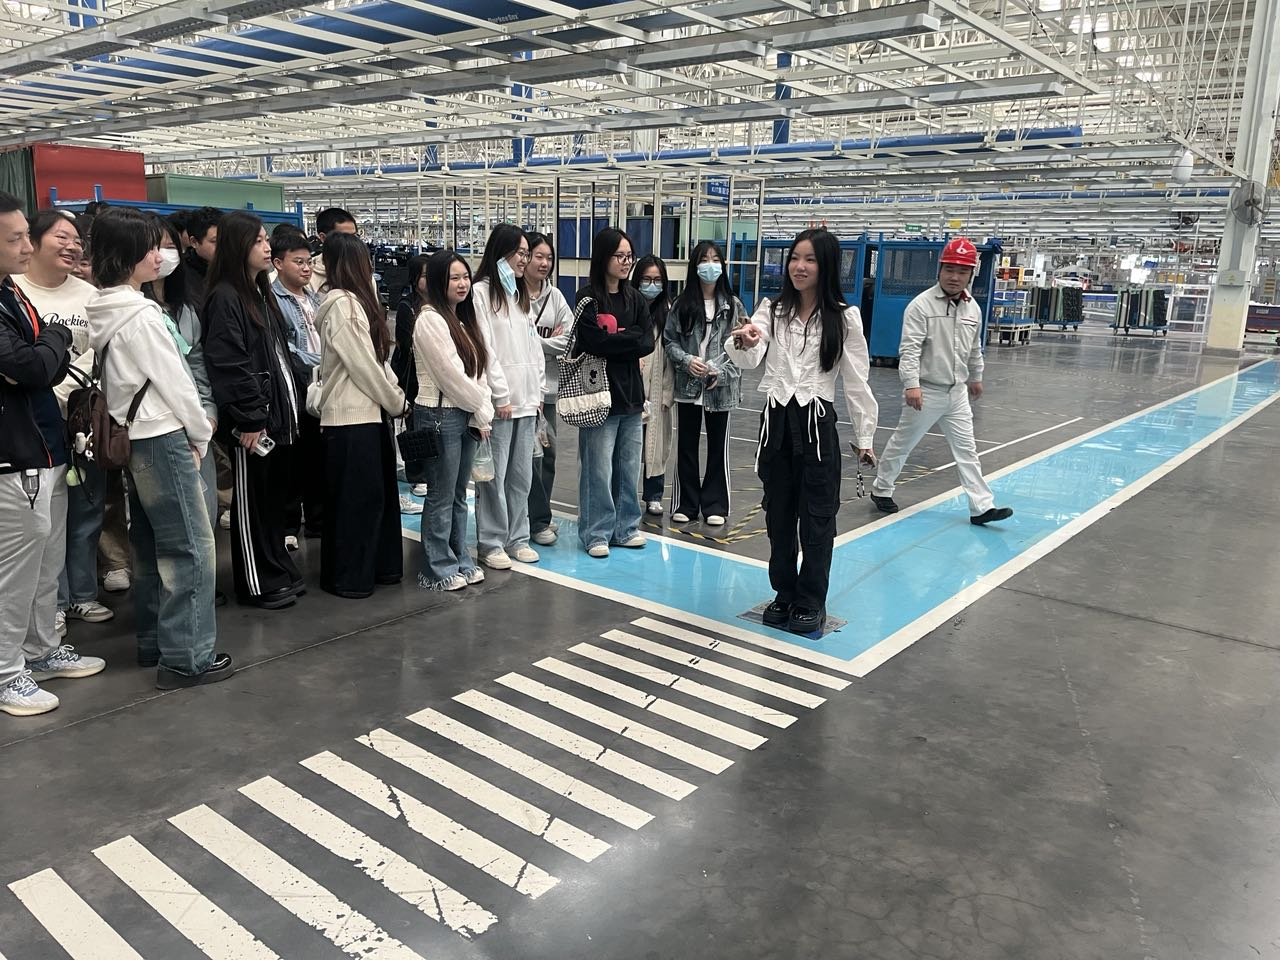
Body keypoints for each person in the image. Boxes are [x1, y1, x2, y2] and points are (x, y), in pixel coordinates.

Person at [87, 207, 231, 690]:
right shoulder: (143, 315)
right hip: (164, 435)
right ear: (127, 254)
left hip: (135, 437)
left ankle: (155, 642)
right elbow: (178, 383)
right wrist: (200, 434)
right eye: (150, 247)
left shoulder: (105, 308)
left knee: (149, 545)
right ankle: (187, 659)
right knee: (191, 549)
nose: (160, 255)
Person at [726, 228, 878, 636]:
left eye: (809, 259)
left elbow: (857, 381)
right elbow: (750, 357)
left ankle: (811, 599)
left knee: (817, 518)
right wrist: (744, 341)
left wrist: (864, 437)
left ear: (825, 266)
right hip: (776, 424)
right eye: (795, 258)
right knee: (778, 515)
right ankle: (784, 592)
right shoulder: (772, 311)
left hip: (817, 424)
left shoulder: (844, 318)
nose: (799, 266)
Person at [0, 190, 104, 717]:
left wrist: (49, 346)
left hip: (46, 445)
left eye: (25, 235)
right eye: (15, 238)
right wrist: (55, 341)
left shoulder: (10, 294)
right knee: (14, 571)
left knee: (45, 560)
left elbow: (44, 362)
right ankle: (5, 671)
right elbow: (33, 365)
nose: (25, 247)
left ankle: (40, 651)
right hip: (13, 453)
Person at [16, 212, 116, 631]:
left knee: (86, 510)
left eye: (78, 240)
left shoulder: (89, 295)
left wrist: (64, 391)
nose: (73, 246)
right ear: (33, 241)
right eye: (62, 237)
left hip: (81, 419)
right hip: (32, 423)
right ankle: (51, 602)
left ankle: (82, 595)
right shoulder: (15, 291)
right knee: (44, 520)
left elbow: (98, 352)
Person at [871, 237, 1013, 526]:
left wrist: (976, 377)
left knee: (967, 450)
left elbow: (974, 348)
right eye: (949, 269)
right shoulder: (921, 306)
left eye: (962, 271)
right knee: (903, 443)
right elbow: (910, 349)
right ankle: (881, 488)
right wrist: (911, 385)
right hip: (926, 391)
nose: (954, 276)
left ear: (971, 274)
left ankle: (981, 507)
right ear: (940, 269)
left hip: (957, 394)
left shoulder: (973, 308)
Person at [203, 211, 303, 610]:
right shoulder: (226, 297)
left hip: (275, 417)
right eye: (258, 240)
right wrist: (250, 417)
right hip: (253, 424)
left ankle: (276, 567)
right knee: (252, 504)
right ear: (238, 246)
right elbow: (229, 362)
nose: (266, 246)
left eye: (266, 239)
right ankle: (256, 581)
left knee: (272, 499)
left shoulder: (258, 292)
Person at [313, 233, 408, 598]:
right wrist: (396, 401)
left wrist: (392, 397)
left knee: (370, 501)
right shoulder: (343, 304)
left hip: (366, 417)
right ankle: (351, 577)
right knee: (358, 504)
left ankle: (374, 570)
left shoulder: (354, 302)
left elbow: (375, 361)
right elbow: (364, 366)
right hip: (352, 419)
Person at [412, 251, 494, 591]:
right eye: (454, 278)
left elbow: (480, 369)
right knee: (441, 494)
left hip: (466, 413)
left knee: (460, 494)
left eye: (465, 277)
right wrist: (482, 408)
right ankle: (438, 566)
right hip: (439, 415)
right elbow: (451, 376)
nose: (463, 284)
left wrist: (480, 408)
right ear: (437, 282)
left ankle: (461, 557)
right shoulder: (430, 320)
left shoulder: (463, 318)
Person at [573, 227, 654, 558]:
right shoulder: (587, 299)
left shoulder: (635, 298)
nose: (626, 262)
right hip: (597, 397)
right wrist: (628, 338)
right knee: (598, 469)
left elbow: (647, 341)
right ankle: (595, 532)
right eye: (619, 256)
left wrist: (617, 340)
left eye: (629, 256)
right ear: (603, 257)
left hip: (631, 397)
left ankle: (625, 528)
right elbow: (593, 342)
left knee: (628, 468)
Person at [471, 224, 545, 569]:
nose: (525, 260)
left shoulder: (520, 296)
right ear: (500, 253)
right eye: (520, 253)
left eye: (527, 253)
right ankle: (491, 541)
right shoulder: (481, 294)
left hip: (527, 402)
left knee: (521, 477)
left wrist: (538, 390)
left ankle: (518, 537)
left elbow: (534, 348)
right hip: (502, 404)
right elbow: (485, 349)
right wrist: (500, 395)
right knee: (493, 478)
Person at [144, 215, 220, 532]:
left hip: (198, 426)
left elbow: (197, 363)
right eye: (154, 247)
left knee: (204, 516)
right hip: (160, 430)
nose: (163, 255)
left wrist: (208, 414)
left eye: (169, 246)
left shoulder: (185, 307)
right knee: (174, 528)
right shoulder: (137, 310)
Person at [664, 241, 745, 527]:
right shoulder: (682, 304)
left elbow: (742, 350)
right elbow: (669, 341)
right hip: (688, 387)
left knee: (717, 447)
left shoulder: (733, 306)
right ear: (694, 266)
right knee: (686, 445)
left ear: (722, 265)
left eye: (715, 259)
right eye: (703, 260)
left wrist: (720, 374)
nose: (710, 265)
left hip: (720, 390)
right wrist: (687, 361)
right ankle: (685, 503)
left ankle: (715, 504)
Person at [270, 231, 325, 547]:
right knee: (293, 457)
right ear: (278, 263)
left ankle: (318, 520)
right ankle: (289, 524)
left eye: (309, 262)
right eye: (298, 262)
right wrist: (324, 361)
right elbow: (286, 350)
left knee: (317, 456)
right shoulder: (273, 300)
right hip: (297, 386)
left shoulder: (315, 297)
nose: (306, 268)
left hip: (321, 385)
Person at [524, 232, 572, 546]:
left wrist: (532, 342)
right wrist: (546, 342)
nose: (544, 263)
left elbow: (568, 339)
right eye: (538, 256)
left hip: (549, 392)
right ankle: (532, 519)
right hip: (520, 392)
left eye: (549, 258)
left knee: (548, 454)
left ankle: (540, 515)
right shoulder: (512, 295)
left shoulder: (555, 297)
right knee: (527, 458)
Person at [632, 255, 674, 517]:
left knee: (656, 444)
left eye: (657, 280)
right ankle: (625, 494)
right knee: (629, 447)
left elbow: (672, 357)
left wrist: (667, 394)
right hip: (631, 389)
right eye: (646, 279)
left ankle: (654, 495)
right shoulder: (629, 309)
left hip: (657, 390)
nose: (651, 285)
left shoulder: (668, 314)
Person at [391, 253, 431, 510]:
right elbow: (406, 344)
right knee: (414, 426)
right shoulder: (408, 306)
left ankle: (427, 471)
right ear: (415, 278)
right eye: (425, 275)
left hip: (434, 377)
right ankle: (418, 476)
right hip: (412, 376)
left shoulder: (440, 302)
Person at [308, 208, 358, 293]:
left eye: (354, 236)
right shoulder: (309, 275)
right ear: (323, 237)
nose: (351, 242)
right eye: (344, 237)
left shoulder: (361, 269)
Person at [183, 206, 221, 304]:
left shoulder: (234, 268)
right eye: (215, 241)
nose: (223, 246)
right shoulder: (180, 274)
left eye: (226, 239)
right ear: (194, 242)